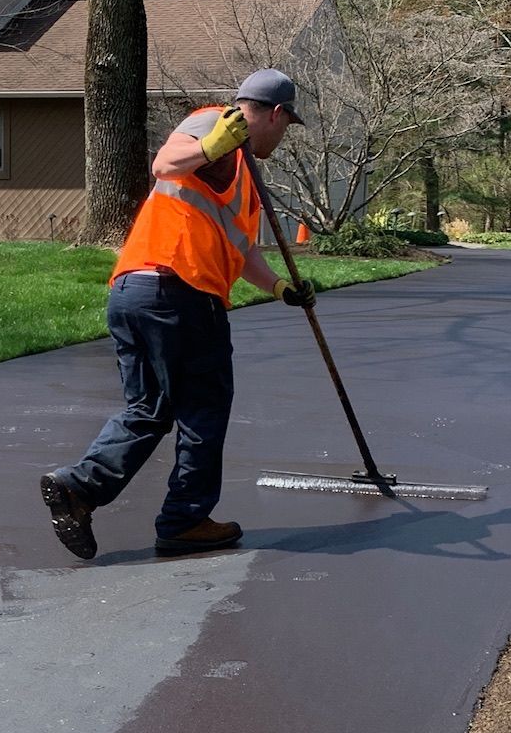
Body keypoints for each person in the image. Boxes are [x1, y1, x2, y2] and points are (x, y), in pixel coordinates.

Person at [41, 68, 314, 562]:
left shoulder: (243, 175)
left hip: (133, 291)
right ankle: (186, 520)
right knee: (203, 409)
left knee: (148, 409)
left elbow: (242, 252)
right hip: (182, 293)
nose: (283, 135)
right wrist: (213, 145)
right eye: (286, 124)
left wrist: (279, 287)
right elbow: (165, 164)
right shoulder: (215, 124)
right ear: (275, 114)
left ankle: (78, 488)